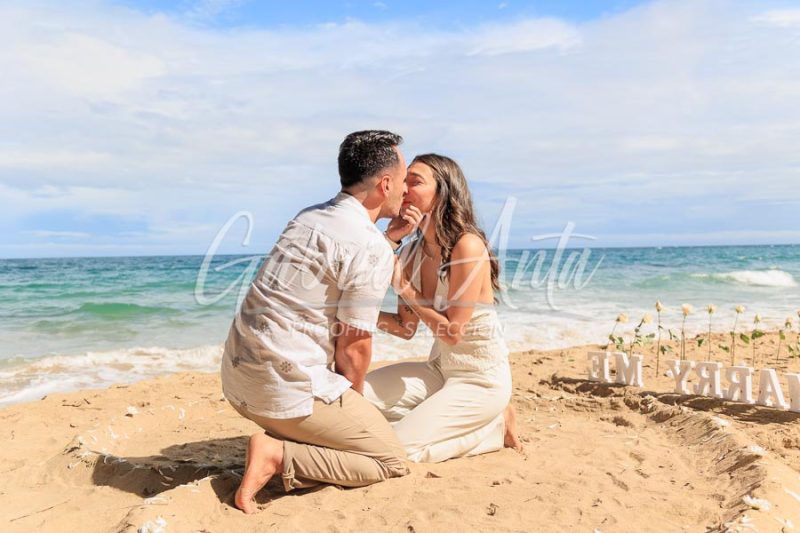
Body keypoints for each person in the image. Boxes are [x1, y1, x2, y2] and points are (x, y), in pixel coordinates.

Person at [221, 130, 414, 514]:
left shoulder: (309, 216)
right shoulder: (367, 246)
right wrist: (351, 410)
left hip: (238, 379)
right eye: (405, 180)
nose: (407, 190)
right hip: (282, 393)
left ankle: (284, 442)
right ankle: (276, 455)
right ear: (385, 183)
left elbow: (339, 265)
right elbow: (354, 345)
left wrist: (387, 241)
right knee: (391, 462)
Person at [364, 153, 522, 464]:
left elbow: (452, 332)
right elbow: (404, 327)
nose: (404, 188)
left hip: (480, 379)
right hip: (439, 370)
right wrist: (389, 241)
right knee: (351, 401)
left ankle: (495, 427)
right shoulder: (410, 252)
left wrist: (403, 284)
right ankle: (439, 418)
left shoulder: (468, 246)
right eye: (403, 180)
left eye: (415, 181)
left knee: (397, 450)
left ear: (443, 193)